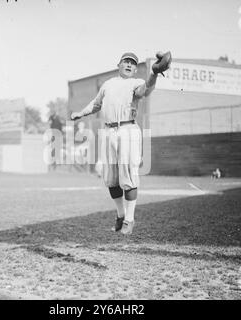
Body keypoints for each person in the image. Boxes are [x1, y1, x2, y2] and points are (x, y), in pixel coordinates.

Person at [71, 52, 170, 235]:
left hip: (127, 129)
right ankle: (120, 215)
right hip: (109, 131)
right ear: (119, 64)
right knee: (111, 177)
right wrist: (81, 113)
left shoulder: (136, 82)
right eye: (126, 61)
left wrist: (154, 73)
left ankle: (129, 221)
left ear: (135, 68)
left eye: (133, 63)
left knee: (128, 175)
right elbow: (96, 103)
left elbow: (146, 90)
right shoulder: (108, 84)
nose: (129, 65)